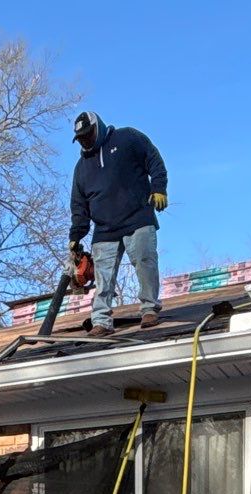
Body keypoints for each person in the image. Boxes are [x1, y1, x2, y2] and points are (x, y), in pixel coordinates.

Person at [68, 110, 168, 332]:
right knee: (103, 277)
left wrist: (159, 188)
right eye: (81, 138)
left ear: (98, 127)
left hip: (137, 217)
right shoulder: (81, 167)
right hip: (104, 228)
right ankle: (101, 320)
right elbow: (79, 204)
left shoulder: (127, 138)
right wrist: (76, 234)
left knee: (145, 262)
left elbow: (153, 158)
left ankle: (149, 309)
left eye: (88, 134)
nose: (85, 140)